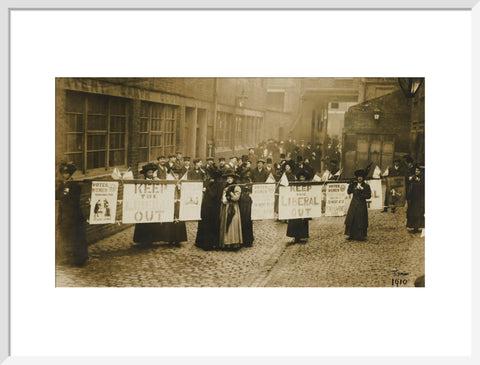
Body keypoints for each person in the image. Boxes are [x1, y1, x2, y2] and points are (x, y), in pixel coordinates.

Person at [55, 163, 88, 266]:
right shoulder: (63, 185)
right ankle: (67, 258)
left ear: (70, 174)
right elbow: (56, 196)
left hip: (73, 215)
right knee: (67, 237)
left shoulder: (74, 186)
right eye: (63, 173)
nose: (64, 175)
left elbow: (70, 199)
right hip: (64, 215)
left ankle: (78, 259)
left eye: (66, 173)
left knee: (75, 237)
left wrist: (64, 190)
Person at [132, 163, 165, 247]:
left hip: (153, 204)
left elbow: (162, 185)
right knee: (144, 223)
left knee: (153, 222)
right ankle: (143, 239)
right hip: (144, 205)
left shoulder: (155, 180)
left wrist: (155, 178)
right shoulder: (142, 182)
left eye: (152, 172)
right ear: (146, 173)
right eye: (149, 173)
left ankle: (152, 239)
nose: (150, 174)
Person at [195, 168, 223, 250]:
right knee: (205, 224)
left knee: (210, 225)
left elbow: (214, 196)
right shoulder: (211, 183)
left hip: (212, 208)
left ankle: (209, 244)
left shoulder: (217, 184)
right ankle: (202, 242)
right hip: (207, 208)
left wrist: (207, 189)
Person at [219, 170, 243, 250]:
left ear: (233, 179)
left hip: (233, 207)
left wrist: (231, 193)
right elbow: (222, 198)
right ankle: (226, 243)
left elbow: (236, 198)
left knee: (233, 223)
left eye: (230, 178)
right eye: (228, 178)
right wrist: (224, 199)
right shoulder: (225, 187)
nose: (229, 180)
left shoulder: (236, 187)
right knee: (226, 223)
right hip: (226, 207)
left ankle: (234, 242)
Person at [344, 169, 372, 241]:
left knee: (360, 219)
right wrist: (350, 185)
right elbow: (349, 192)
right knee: (352, 219)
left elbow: (368, 196)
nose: (359, 178)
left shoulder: (366, 186)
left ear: (363, 178)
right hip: (354, 203)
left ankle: (361, 235)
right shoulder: (354, 185)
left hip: (361, 204)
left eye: (361, 177)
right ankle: (351, 235)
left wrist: (361, 193)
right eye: (358, 177)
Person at [286, 170, 312, 243]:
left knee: (303, 222)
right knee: (296, 222)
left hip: (304, 205)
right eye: (300, 177)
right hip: (296, 206)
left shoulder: (307, 185)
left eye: (303, 177)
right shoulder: (295, 185)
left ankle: (303, 235)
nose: (301, 179)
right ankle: (296, 236)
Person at [406, 164, 425, 233]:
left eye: (418, 170)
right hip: (413, 198)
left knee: (418, 213)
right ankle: (413, 226)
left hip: (420, 198)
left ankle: (417, 227)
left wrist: (418, 181)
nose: (416, 171)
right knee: (412, 212)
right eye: (416, 170)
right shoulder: (414, 177)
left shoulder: (423, 178)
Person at [239, 169, 254, 247]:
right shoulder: (241, 181)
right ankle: (244, 239)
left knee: (247, 220)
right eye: (246, 173)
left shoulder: (249, 180)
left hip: (247, 201)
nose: (248, 174)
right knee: (243, 220)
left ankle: (248, 240)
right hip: (242, 201)